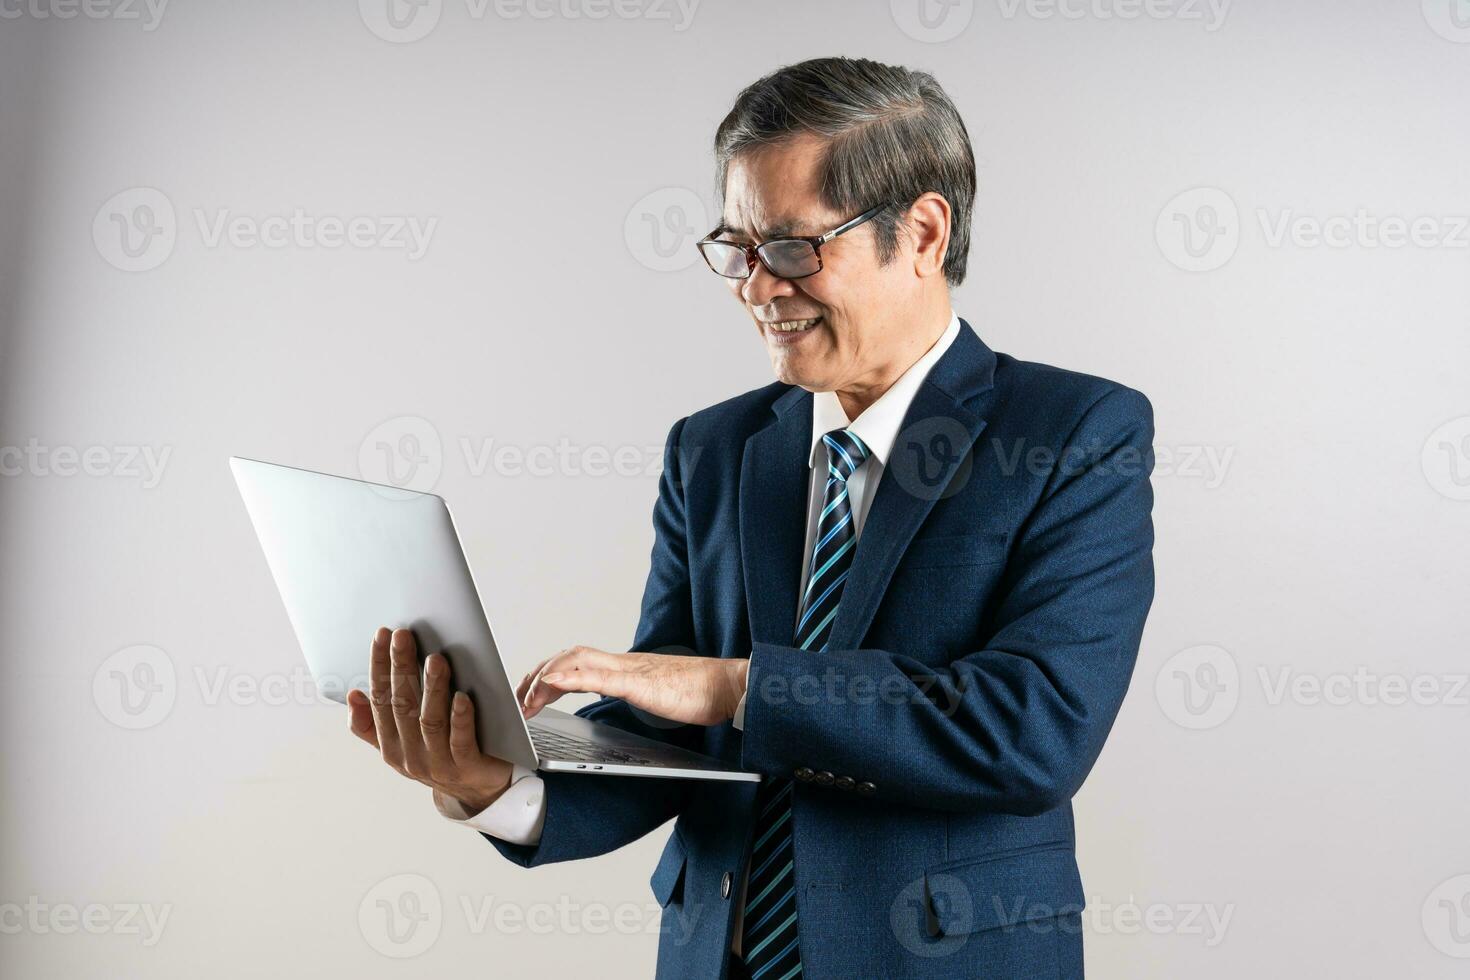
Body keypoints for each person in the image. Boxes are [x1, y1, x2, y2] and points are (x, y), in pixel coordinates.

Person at [346, 56, 1155, 979]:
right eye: (738, 248)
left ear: (924, 233)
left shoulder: (1074, 434)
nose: (757, 288)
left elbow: (1033, 733)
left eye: (794, 249)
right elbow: (668, 735)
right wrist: (495, 785)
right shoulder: (714, 448)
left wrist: (736, 688)